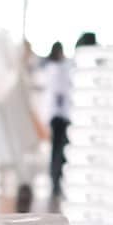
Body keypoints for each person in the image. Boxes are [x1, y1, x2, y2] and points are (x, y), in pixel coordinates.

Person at [40, 41, 72, 195]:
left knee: (56, 148)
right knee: (59, 148)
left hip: (55, 114)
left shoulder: (50, 67)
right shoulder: (59, 68)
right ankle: (56, 181)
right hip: (60, 115)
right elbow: (60, 92)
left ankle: (55, 180)